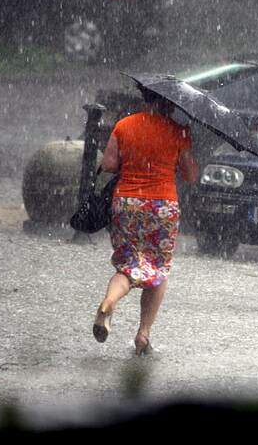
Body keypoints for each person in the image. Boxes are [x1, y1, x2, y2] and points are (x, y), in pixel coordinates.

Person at [92, 86, 199, 356]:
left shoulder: (124, 125)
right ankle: (143, 334)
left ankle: (109, 302)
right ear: (169, 105)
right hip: (162, 206)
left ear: (145, 99)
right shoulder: (178, 131)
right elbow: (189, 175)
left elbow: (108, 164)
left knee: (128, 265)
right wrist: (183, 147)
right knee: (158, 270)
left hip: (127, 202)